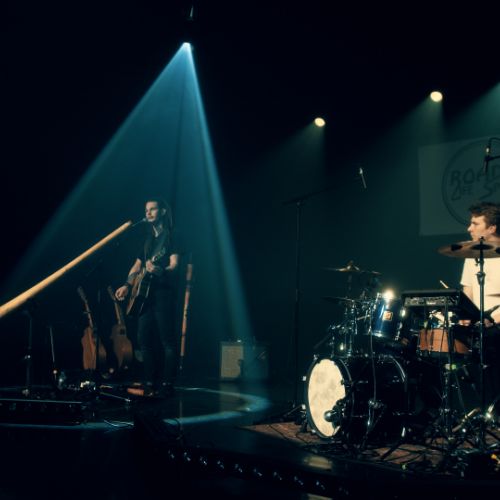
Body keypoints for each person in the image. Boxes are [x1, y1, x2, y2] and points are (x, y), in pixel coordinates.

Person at [115, 198, 180, 397]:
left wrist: (161, 270)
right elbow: (136, 266)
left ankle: (167, 383)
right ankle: (150, 381)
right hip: (143, 296)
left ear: (162, 211)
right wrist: (127, 285)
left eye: (152, 209)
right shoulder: (148, 240)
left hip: (163, 293)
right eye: (146, 210)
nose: (148, 213)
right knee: (143, 339)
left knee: (167, 341)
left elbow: (174, 265)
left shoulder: (171, 236)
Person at [460, 201, 500, 403]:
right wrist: (465, 316)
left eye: (475, 224)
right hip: (480, 327)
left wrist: (493, 319)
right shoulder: (471, 255)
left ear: (492, 228)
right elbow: (467, 293)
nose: (469, 228)